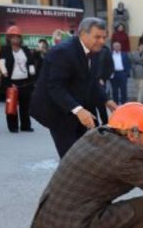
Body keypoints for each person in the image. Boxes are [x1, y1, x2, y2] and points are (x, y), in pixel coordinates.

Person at [30, 18, 117, 157]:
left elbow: (92, 81)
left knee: (90, 152)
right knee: (71, 158)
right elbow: (55, 87)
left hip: (78, 109)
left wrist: (107, 100)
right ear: (83, 34)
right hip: (57, 112)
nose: (102, 41)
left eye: (104, 37)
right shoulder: (63, 52)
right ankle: (69, 177)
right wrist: (79, 110)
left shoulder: (94, 51)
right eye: (97, 37)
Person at [0, 25, 37, 133]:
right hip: (11, 82)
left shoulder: (25, 49)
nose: (15, 39)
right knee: (12, 106)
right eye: (13, 37)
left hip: (25, 82)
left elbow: (30, 62)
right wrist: (7, 78)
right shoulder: (5, 49)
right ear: (9, 38)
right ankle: (13, 126)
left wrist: (32, 73)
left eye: (17, 37)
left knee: (25, 106)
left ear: (20, 38)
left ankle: (26, 126)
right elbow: (2, 64)